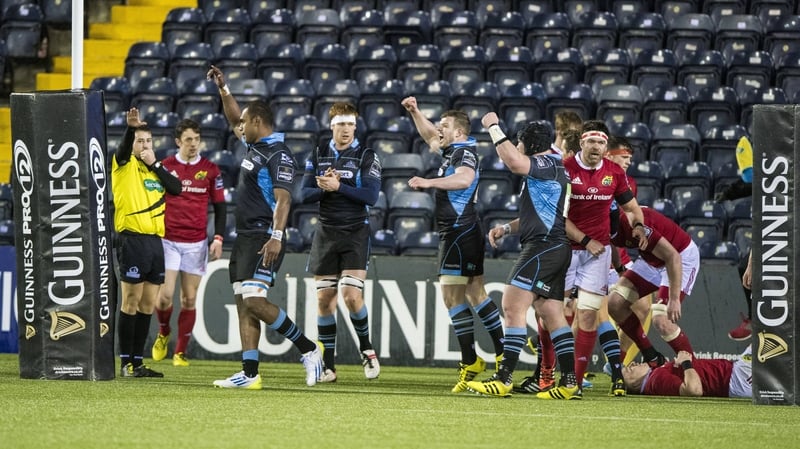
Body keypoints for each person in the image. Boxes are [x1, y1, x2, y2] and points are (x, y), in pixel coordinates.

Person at [207, 65, 322, 389]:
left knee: (256, 301)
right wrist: (224, 89)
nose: (239, 126)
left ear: (257, 122)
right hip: (244, 237)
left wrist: (276, 236)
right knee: (244, 304)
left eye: (245, 122)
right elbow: (232, 118)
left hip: (263, 236)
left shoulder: (279, 154)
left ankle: (309, 349)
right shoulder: (255, 147)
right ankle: (250, 373)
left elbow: (285, 200)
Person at [466, 114, 580, 400]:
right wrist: (507, 228)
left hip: (543, 246)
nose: (516, 147)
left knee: (512, 304)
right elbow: (538, 213)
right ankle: (568, 383)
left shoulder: (545, 163)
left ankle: (503, 378)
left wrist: (493, 127)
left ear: (528, 144)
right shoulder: (550, 169)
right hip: (554, 246)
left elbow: (514, 162)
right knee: (551, 313)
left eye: (519, 142)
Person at [401, 97, 505, 393]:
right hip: (462, 231)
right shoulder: (453, 149)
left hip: (459, 232)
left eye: (444, 125)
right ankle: (497, 356)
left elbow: (464, 180)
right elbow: (429, 136)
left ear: (458, 132)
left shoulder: (464, 154)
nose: (438, 129)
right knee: (475, 294)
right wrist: (415, 112)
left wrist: (428, 182)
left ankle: (474, 360)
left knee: (453, 297)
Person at [563, 120, 647, 397]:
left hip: (598, 255)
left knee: (588, 315)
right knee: (558, 314)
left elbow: (632, 209)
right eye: (591, 141)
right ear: (582, 143)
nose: (596, 147)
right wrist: (586, 241)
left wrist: (638, 227)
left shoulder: (614, 174)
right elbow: (556, 216)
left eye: (601, 142)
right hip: (566, 250)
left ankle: (572, 383)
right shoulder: (565, 168)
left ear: (604, 146)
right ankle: (548, 373)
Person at [300, 102, 381, 382]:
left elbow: (371, 196)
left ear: (355, 126)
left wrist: (339, 187)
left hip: (355, 232)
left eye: (350, 124)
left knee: (350, 295)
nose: (345, 129)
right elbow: (303, 194)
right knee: (324, 299)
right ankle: (329, 367)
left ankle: (367, 350)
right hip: (326, 232)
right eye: (340, 124)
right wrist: (324, 188)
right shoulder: (319, 154)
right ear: (331, 125)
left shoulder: (366, 155)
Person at [151, 119, 227, 367]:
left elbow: (220, 206)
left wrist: (217, 238)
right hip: (169, 240)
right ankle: (164, 332)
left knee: (189, 299)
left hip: (196, 242)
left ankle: (180, 352)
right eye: (188, 140)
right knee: (164, 297)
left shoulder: (211, 170)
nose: (193, 144)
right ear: (178, 142)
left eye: (196, 139)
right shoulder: (166, 166)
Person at [112, 107, 182, 378]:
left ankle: (138, 362)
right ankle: (125, 362)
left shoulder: (155, 169)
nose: (144, 145)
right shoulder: (123, 165)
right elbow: (121, 149)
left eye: (148, 141)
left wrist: (154, 163)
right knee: (130, 301)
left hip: (155, 242)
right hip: (132, 240)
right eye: (139, 141)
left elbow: (176, 188)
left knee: (147, 304)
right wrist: (130, 129)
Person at [607, 207, 699, 366]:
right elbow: (611, 244)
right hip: (652, 259)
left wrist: (674, 299)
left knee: (661, 320)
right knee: (615, 303)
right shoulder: (601, 222)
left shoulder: (635, 226)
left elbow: (673, 256)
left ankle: (695, 370)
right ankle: (650, 357)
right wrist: (620, 269)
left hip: (680, 257)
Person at [623, 348, 752, 398]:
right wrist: (686, 362)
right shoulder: (656, 380)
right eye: (630, 369)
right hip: (736, 379)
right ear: (634, 384)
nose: (633, 364)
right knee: (766, 329)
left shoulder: (654, 377)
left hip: (735, 374)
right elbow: (693, 390)